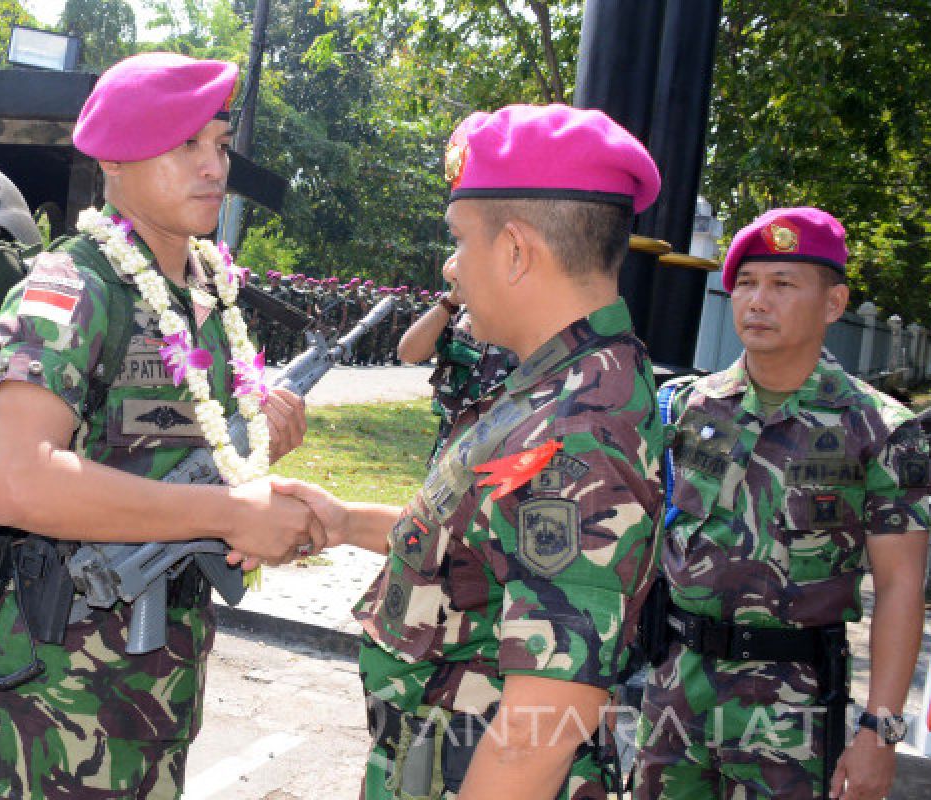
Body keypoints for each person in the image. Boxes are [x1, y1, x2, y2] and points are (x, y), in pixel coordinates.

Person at [0, 51, 324, 799]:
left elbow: (172, 442)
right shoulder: (73, 287)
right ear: (116, 157)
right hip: (51, 694)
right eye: (187, 145)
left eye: (219, 143)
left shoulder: (204, 294)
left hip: (158, 684)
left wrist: (256, 445)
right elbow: (18, 483)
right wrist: (225, 511)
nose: (214, 166)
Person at [275, 102, 665, 799]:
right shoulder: (551, 386)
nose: (452, 267)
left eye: (458, 240)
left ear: (516, 251)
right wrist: (342, 521)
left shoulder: (581, 427)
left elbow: (533, 740)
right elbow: (484, 541)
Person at [634, 207, 931, 800]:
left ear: (833, 303)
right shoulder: (688, 408)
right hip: (676, 689)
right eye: (745, 283)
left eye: (782, 284)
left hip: (791, 708)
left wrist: (881, 730)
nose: (757, 301)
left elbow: (901, 585)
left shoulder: (878, 428)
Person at [398, 269, 518, 463]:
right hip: (448, 456)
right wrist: (450, 302)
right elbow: (409, 353)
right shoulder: (460, 313)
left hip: (501, 458)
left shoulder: (531, 318)